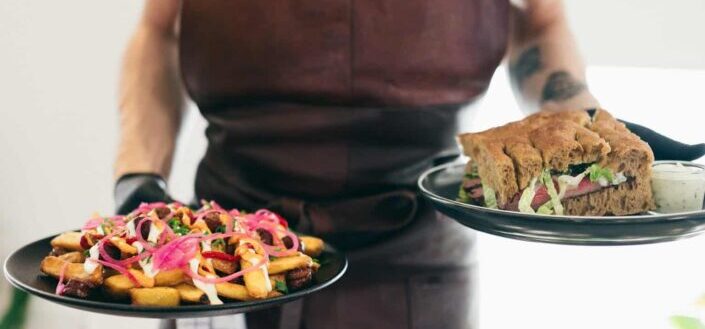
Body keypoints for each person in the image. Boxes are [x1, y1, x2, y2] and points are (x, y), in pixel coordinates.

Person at [114, 0, 600, 328]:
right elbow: (160, 28)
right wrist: (138, 175)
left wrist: (585, 125)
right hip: (224, 263)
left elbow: (539, 22)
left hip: (418, 257)